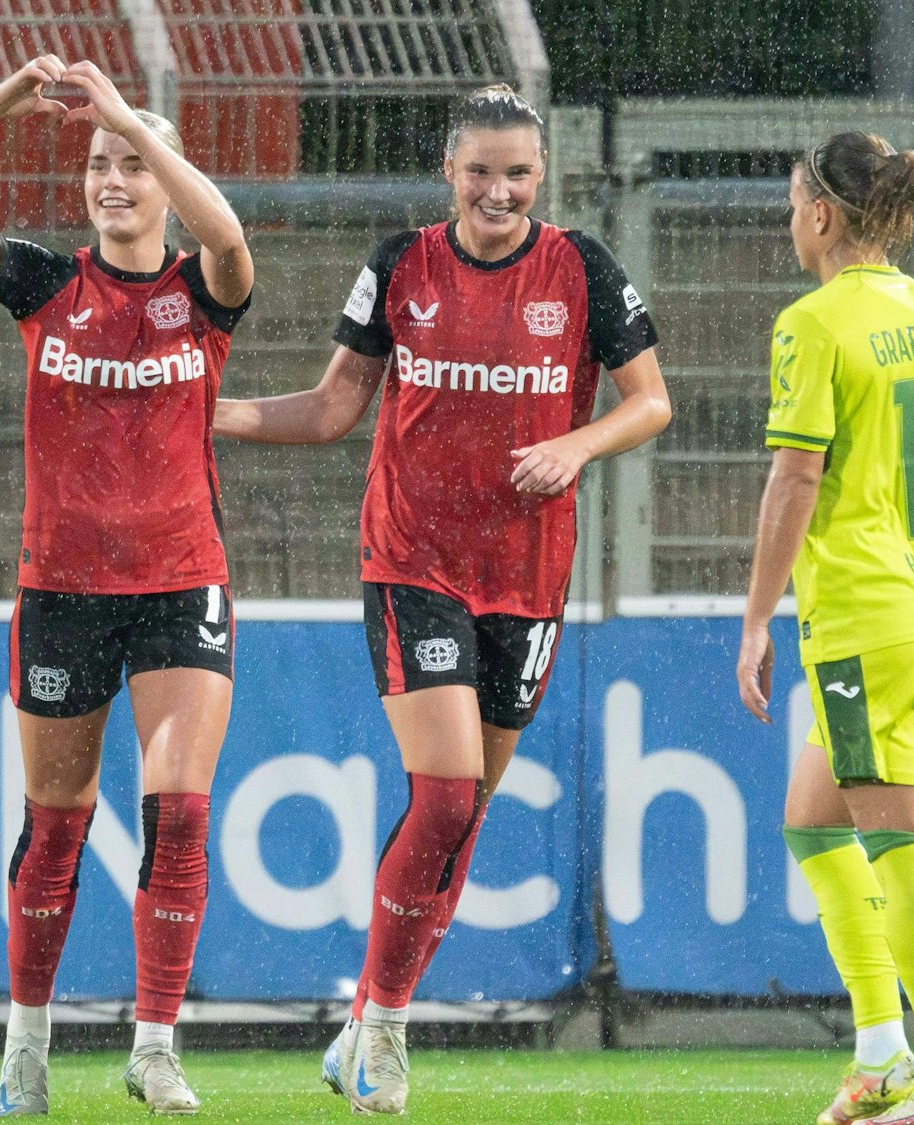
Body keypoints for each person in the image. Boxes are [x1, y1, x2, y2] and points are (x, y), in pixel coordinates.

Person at [213, 84, 671, 1115]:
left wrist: (574, 441)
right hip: (411, 561)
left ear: (539, 176)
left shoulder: (580, 268)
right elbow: (334, 406)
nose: (496, 190)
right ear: (447, 174)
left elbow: (649, 400)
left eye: (515, 172)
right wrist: (214, 412)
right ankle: (383, 1031)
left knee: (459, 819)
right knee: (450, 792)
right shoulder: (400, 263)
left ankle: (368, 1020)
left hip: (527, 578)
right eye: (478, 171)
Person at [0, 54, 253, 1117]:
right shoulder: (47, 285)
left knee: (178, 814)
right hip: (61, 590)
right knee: (56, 826)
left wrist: (140, 129)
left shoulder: (204, 291)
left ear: (163, 177)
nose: (114, 179)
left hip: (182, 583)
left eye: (133, 165)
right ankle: (25, 1046)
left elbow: (229, 238)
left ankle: (153, 1046)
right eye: (99, 163)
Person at [736, 132, 914, 1125]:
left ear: (818, 213)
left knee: (902, 851)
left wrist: (757, 618)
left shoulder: (813, 323)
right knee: (812, 820)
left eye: (789, 203)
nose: (785, 221)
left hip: (865, 619)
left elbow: (794, 475)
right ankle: (883, 1051)